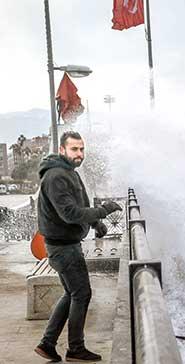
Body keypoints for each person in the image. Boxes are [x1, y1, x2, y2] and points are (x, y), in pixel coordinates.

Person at [34, 131, 122, 362]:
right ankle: (75, 348)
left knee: (71, 293)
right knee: (82, 293)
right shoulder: (55, 176)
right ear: (62, 150)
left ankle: (47, 344)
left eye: (82, 149)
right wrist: (105, 210)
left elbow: (80, 204)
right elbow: (70, 213)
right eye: (74, 149)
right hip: (63, 248)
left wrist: (96, 223)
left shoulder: (69, 172)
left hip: (65, 244)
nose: (79, 154)